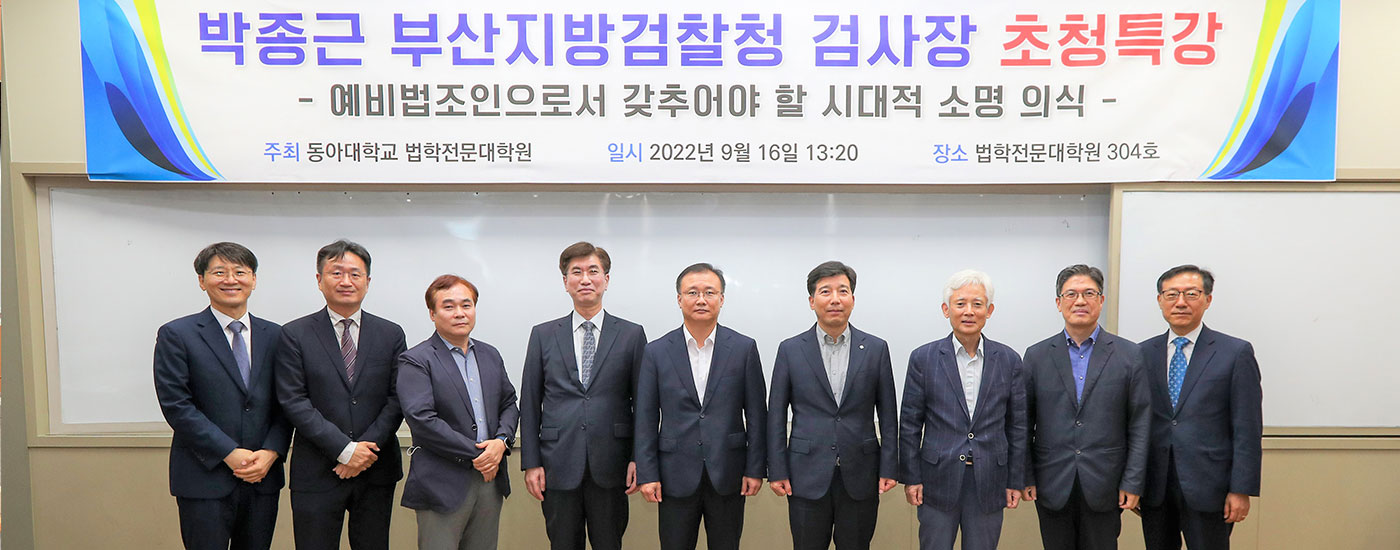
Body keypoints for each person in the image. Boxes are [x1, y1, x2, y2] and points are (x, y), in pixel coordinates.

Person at [154, 242, 289, 550]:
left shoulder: (277, 335)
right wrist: (229, 452)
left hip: (262, 476)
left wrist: (270, 452)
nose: (231, 280)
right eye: (219, 272)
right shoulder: (177, 334)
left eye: (240, 272)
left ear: (253, 279)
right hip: (204, 476)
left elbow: (288, 403)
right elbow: (177, 405)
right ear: (202, 281)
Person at [274, 239, 407, 550]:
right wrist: (344, 450)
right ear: (319, 280)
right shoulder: (294, 334)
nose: (346, 281)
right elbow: (294, 400)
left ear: (367, 281)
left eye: (355, 274)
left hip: (375, 469)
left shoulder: (391, 333)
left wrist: (364, 451)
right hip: (317, 470)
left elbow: (397, 397)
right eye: (336, 273)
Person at [519, 242, 647, 550]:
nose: (585, 279)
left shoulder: (632, 335)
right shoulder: (543, 334)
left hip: (613, 464)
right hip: (557, 464)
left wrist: (637, 458)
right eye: (576, 272)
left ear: (606, 279)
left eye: (593, 271)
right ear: (565, 282)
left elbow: (643, 404)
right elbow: (530, 402)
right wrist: (531, 463)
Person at [635, 263, 767, 550]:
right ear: (679, 299)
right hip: (673, 474)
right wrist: (648, 473)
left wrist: (755, 468)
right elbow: (645, 418)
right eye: (692, 292)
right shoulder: (656, 351)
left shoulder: (743, 348)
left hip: (729, 473)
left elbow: (757, 414)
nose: (701, 299)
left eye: (709, 292)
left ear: (722, 298)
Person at [767, 261, 898, 550]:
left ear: (853, 299)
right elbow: (775, 415)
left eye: (843, 291)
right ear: (812, 301)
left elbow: (888, 415)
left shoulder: (876, 349)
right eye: (825, 291)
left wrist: (889, 466)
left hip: (861, 473)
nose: (835, 299)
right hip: (805, 474)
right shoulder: (790, 349)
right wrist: (776, 469)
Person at [1022, 265, 1151, 550]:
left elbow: (1140, 425)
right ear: (1059, 303)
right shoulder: (1036, 356)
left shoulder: (1130, 354)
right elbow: (1024, 423)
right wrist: (1026, 475)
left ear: (1101, 301)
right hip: (1051, 481)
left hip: (1107, 483)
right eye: (1071, 294)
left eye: (1089, 293)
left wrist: (1132, 482)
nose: (1080, 301)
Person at [899, 269, 1027, 550]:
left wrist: (1015, 480)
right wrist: (912, 478)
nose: (969, 311)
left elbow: (1017, 427)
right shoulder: (923, 358)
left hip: (990, 480)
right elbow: (909, 424)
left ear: (989, 311)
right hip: (936, 480)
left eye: (977, 304)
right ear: (946, 309)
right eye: (960, 304)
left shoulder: (1009, 360)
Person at [1138, 265, 1262, 550]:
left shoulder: (1235, 352)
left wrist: (1241, 489)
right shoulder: (1141, 353)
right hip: (1155, 487)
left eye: (1191, 294)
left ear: (1208, 299)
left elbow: (1247, 427)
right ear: (1160, 300)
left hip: (1211, 487)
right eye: (1172, 294)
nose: (1180, 302)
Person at [398, 275, 519, 550]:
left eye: (466, 305)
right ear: (432, 313)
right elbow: (422, 419)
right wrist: (480, 453)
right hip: (442, 482)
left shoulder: (490, 354)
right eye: (448, 306)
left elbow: (509, 403)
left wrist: (501, 442)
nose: (460, 313)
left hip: (489, 480)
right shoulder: (416, 360)